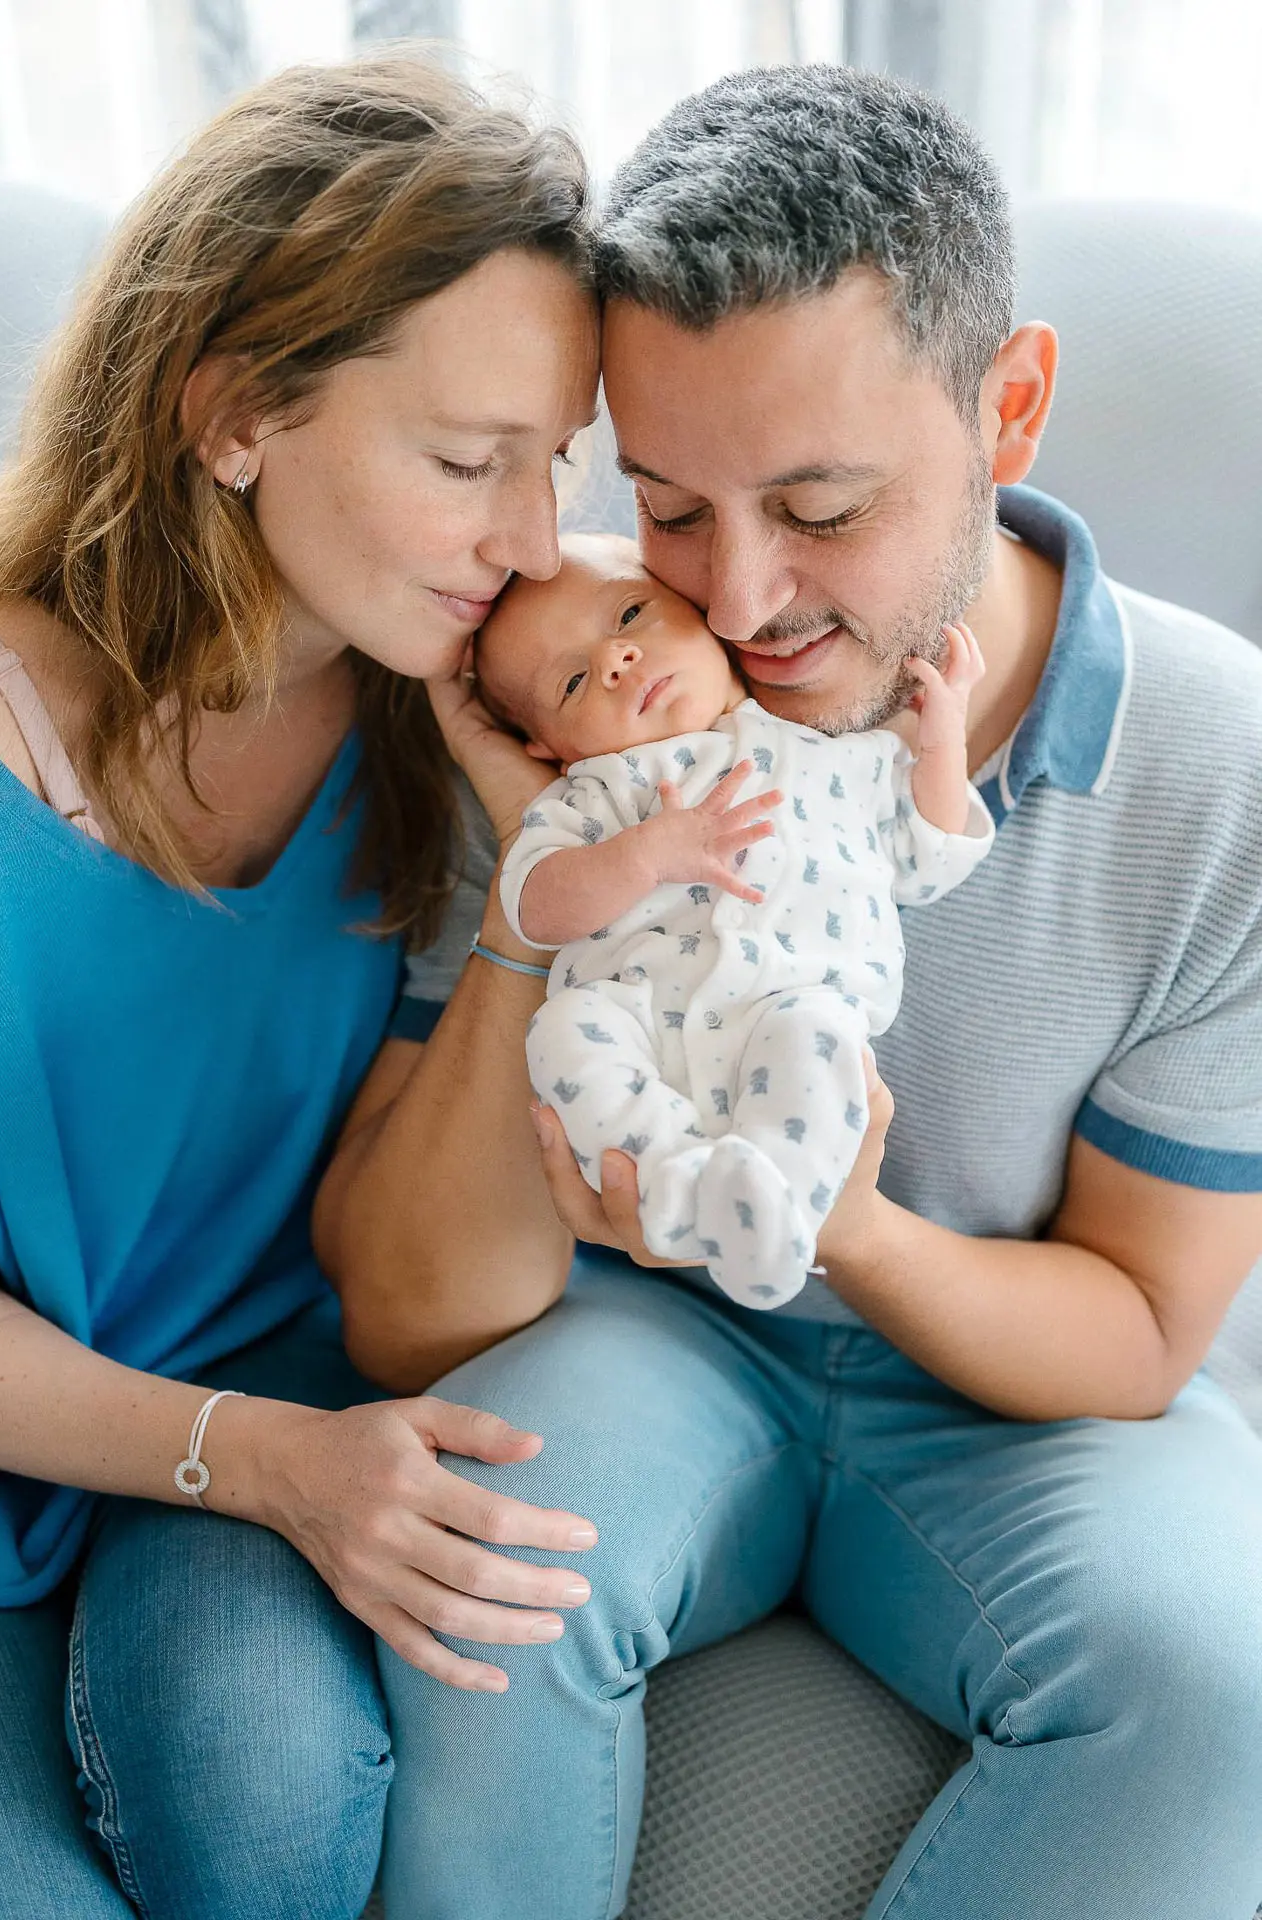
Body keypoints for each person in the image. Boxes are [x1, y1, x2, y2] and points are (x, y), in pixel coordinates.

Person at [324, 63, 1262, 1920]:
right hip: (648, 1342)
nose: (737, 602)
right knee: (482, 1579)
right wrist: (532, 883)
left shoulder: (1213, 768)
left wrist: (843, 1234)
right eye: (666, 504)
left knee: (1219, 1692)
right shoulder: (583, 687)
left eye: (817, 508)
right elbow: (409, 1322)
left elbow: (1141, 1331)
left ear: (1006, 406)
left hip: (1003, 1395)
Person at [0, 55, 606, 1920]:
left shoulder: (463, 712)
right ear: (237, 411)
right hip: (83, 1419)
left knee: (265, 1831)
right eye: (463, 458)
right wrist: (257, 1463)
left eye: (551, 458)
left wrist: (532, 901)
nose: (527, 537)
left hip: (274, 1374)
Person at [475, 533, 992, 1304]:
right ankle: (686, 1189)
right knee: (564, 1030)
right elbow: (536, 908)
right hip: (641, 1021)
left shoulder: (835, 751)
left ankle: (773, 1206)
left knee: (823, 1049)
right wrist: (643, 856)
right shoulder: (597, 793)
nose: (616, 660)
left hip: (793, 1004)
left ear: (701, 615)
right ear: (548, 747)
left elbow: (932, 859)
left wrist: (941, 736)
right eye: (576, 682)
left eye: (630, 612)